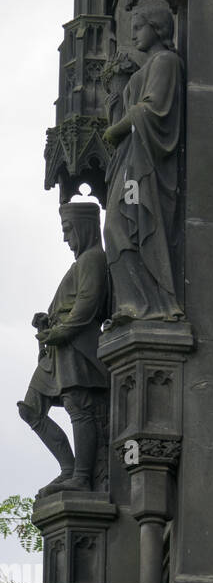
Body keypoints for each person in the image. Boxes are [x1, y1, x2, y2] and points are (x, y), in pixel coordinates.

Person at [103, 0, 184, 323]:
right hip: (131, 156)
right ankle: (135, 301)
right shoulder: (148, 65)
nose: (134, 33)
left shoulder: (165, 62)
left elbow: (152, 110)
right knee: (116, 226)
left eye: (139, 26)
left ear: (157, 26)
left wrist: (117, 129)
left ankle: (151, 302)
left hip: (145, 160)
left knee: (121, 223)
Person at [18, 202, 109, 496]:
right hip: (60, 346)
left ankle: (81, 477)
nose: (65, 238)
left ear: (84, 227)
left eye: (69, 230)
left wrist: (59, 332)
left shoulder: (94, 258)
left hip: (77, 345)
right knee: (31, 408)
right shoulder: (82, 261)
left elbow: (87, 305)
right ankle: (69, 469)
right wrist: (48, 321)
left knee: (78, 407)